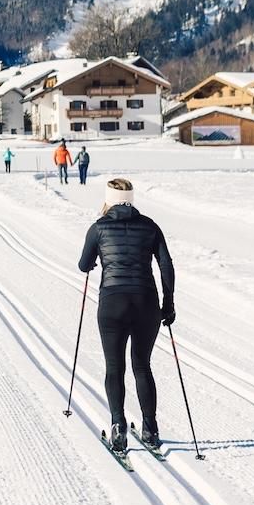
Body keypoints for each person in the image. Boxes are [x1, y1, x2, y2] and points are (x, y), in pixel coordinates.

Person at [78, 178, 175, 454]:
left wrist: (98, 257)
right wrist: (168, 303)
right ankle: (150, 428)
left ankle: (118, 426)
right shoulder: (150, 227)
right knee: (142, 366)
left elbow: (83, 264)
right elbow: (166, 264)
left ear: (108, 199)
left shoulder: (99, 228)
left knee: (114, 367)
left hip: (112, 303)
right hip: (146, 302)